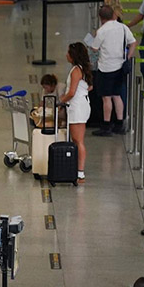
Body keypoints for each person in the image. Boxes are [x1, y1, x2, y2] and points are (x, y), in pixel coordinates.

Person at [89, 6, 137, 136]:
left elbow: (94, 48)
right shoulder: (122, 27)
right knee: (117, 95)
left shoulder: (102, 31)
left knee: (106, 98)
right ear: (113, 15)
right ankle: (119, 124)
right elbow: (133, 43)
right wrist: (128, 57)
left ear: (100, 18)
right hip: (120, 66)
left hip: (106, 68)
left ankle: (106, 125)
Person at [59, 43, 92, 183]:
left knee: (78, 141)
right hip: (83, 105)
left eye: (68, 53)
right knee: (78, 140)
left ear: (73, 56)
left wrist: (61, 100)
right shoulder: (84, 69)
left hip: (76, 107)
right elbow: (89, 87)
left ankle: (80, 173)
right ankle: (78, 170)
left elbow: (71, 92)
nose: (66, 55)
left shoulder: (75, 71)